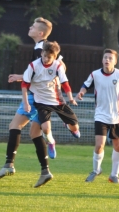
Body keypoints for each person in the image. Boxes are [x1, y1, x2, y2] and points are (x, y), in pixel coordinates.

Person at [0, 17, 80, 186]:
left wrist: (22, 78)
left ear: (40, 32)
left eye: (32, 26)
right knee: (34, 133)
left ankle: (9, 164)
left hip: (36, 97)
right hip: (42, 96)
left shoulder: (41, 47)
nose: (29, 28)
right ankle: (45, 171)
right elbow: (55, 67)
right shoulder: (41, 47)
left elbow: (58, 68)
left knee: (15, 126)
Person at [21, 40, 79, 187]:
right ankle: (51, 142)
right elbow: (24, 84)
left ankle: (70, 126)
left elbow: (65, 83)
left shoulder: (58, 66)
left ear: (55, 57)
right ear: (41, 53)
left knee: (75, 127)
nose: (46, 59)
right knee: (46, 128)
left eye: (49, 57)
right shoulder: (33, 65)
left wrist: (71, 98)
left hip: (58, 101)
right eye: (45, 55)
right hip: (41, 102)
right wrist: (26, 102)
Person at [76, 48, 119, 184]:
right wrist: (81, 92)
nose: (107, 60)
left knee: (118, 146)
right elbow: (85, 85)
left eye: (110, 58)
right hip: (100, 115)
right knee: (99, 145)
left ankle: (114, 175)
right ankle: (96, 170)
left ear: (115, 61)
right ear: (102, 60)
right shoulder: (95, 74)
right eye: (105, 57)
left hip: (117, 116)